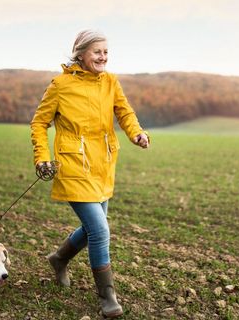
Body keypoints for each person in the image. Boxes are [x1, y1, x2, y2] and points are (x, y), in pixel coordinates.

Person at [30, 29, 149, 318]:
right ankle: (107, 295)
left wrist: (136, 133)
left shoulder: (111, 82)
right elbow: (38, 123)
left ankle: (59, 259)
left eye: (106, 52)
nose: (103, 57)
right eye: (97, 51)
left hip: (102, 164)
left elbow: (125, 112)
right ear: (81, 53)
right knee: (99, 230)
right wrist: (42, 157)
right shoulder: (60, 85)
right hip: (72, 166)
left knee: (92, 228)